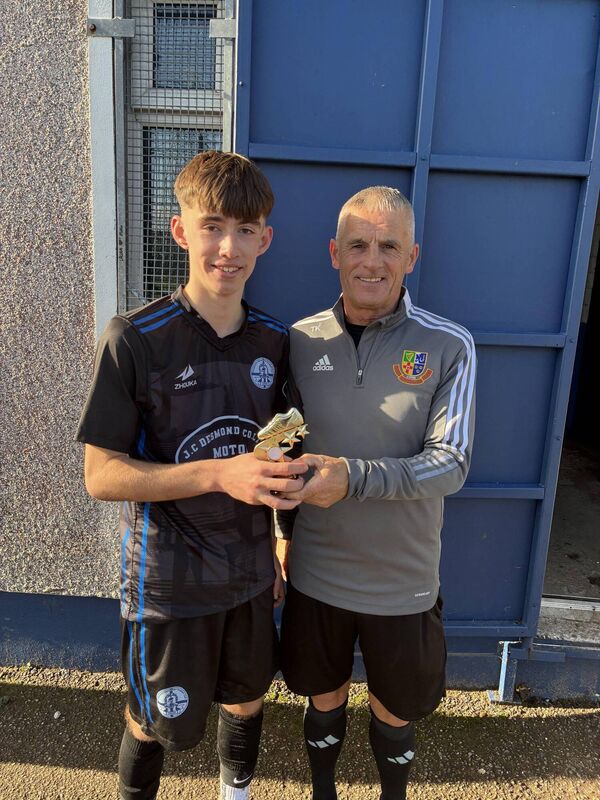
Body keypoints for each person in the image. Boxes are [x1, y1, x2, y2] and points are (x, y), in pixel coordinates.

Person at [77, 150, 308, 800]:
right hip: (169, 584)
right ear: (181, 231)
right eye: (212, 226)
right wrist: (218, 476)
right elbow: (101, 474)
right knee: (155, 723)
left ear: (265, 238)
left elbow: (280, 452)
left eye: (244, 230)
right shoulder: (135, 339)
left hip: (251, 574)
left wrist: (283, 537)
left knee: (247, 700)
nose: (227, 248)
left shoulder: (275, 343)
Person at [277, 186, 476, 800]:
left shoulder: (449, 345)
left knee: (396, 710)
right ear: (333, 253)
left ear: (412, 256)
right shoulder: (298, 340)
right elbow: (280, 452)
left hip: (403, 584)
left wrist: (354, 477)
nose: (373, 260)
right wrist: (278, 537)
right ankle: (323, 792)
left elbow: (452, 464)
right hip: (316, 576)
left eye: (389, 245)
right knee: (324, 693)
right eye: (358, 244)